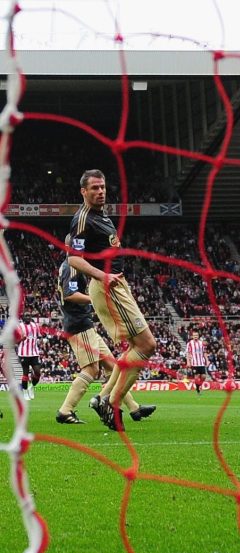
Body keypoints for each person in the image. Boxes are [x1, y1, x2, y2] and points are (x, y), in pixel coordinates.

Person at [68, 169, 157, 431]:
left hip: (115, 284)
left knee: (135, 346)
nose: (100, 191)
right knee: (146, 345)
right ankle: (111, 401)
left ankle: (104, 398)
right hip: (106, 285)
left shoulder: (101, 215)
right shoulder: (83, 219)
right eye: (94, 188)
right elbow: (73, 258)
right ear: (83, 191)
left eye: (103, 187)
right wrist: (102, 276)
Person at [56, 245, 157, 425]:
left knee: (114, 365)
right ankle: (65, 411)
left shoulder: (72, 266)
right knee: (91, 370)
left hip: (84, 324)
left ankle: (134, 408)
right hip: (79, 325)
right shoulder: (71, 267)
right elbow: (69, 294)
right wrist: (94, 299)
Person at [14, 314, 42, 400]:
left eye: (29, 316)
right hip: (23, 353)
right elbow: (15, 341)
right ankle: (25, 392)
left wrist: (40, 341)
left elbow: (39, 336)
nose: (28, 317)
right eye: (26, 316)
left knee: (37, 372)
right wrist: (21, 339)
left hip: (34, 353)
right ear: (23, 318)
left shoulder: (35, 325)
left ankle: (31, 387)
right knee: (25, 374)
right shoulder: (19, 327)